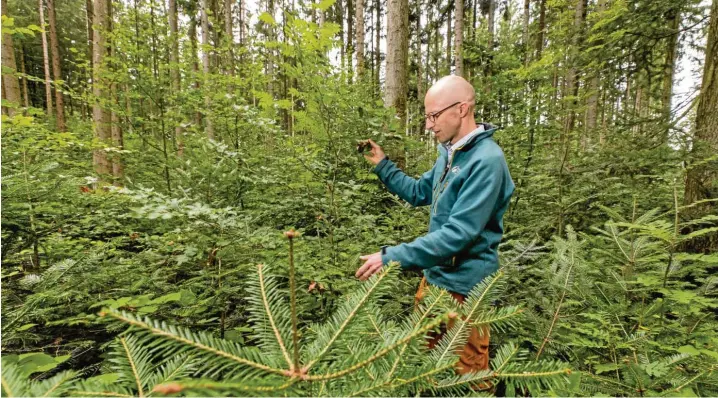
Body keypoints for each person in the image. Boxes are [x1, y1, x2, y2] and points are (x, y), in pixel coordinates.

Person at [355, 75, 515, 379]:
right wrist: (382, 165)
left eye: (434, 115)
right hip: (434, 280)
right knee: (420, 365)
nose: (429, 125)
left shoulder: (486, 161)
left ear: (462, 109)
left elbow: (459, 234)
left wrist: (389, 257)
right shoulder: (450, 151)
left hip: (468, 290)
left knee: (466, 377)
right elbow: (419, 192)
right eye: (427, 116)